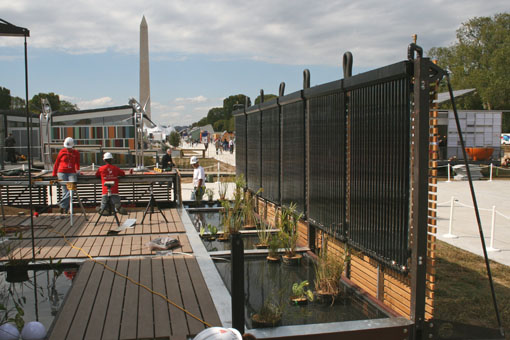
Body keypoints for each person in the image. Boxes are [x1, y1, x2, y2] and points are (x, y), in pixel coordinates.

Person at [53, 137, 80, 214]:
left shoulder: (76, 153)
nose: (68, 149)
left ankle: (62, 204)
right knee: (65, 190)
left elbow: (77, 163)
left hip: (72, 172)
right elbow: (57, 163)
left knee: (72, 188)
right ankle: (66, 209)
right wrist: (54, 173)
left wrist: (78, 170)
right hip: (61, 172)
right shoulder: (62, 152)